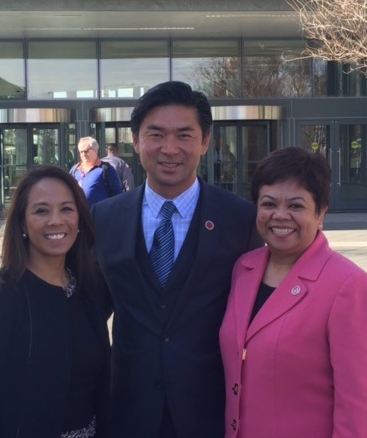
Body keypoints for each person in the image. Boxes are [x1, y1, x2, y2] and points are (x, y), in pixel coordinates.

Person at [91, 81, 259, 438]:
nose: (170, 149)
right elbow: (88, 311)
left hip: (209, 413)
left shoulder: (241, 219)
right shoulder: (104, 218)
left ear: (205, 142)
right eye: (156, 135)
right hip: (126, 413)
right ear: (136, 142)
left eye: (184, 135)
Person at [219, 147, 367, 438]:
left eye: (296, 206)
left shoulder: (349, 287)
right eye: (268, 204)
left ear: (321, 212)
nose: (279, 216)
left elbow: (362, 411)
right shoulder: (244, 269)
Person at [0, 165, 111, 438]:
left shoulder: (90, 289)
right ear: (21, 222)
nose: (56, 220)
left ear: (79, 218)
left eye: (66, 208)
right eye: (41, 210)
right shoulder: (0, 293)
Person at [69, 137, 123, 206]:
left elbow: (118, 195)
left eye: (86, 151)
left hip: (100, 215)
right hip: (79, 215)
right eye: (81, 152)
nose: (83, 154)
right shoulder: (75, 170)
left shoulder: (106, 169)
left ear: (95, 150)